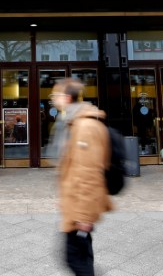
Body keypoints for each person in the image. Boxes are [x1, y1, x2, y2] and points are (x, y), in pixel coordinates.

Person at [51, 78, 112, 276]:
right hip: (76, 204)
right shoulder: (72, 122)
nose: (53, 99)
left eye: (56, 95)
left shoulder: (84, 127)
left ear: (67, 98)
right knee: (81, 255)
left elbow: (89, 172)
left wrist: (84, 215)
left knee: (74, 258)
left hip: (81, 208)